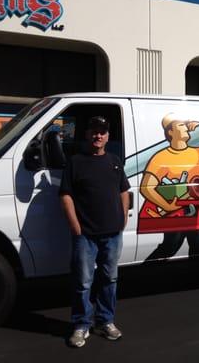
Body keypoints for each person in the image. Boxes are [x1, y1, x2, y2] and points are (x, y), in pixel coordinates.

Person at [59, 116, 130, 348]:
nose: (98, 135)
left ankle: (106, 321)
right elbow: (65, 194)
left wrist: (123, 218)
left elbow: (124, 190)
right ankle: (81, 325)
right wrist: (74, 226)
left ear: (108, 136)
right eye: (94, 131)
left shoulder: (114, 161)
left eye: (102, 132)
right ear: (87, 135)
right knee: (83, 282)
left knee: (110, 279)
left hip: (112, 233)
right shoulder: (75, 162)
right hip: (85, 234)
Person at [140, 113, 199, 260]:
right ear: (170, 132)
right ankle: (144, 271)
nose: (186, 128)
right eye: (181, 125)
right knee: (171, 245)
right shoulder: (161, 157)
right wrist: (167, 206)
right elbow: (146, 186)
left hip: (196, 208)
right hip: (175, 211)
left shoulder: (197, 152)